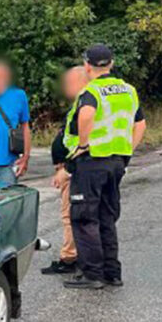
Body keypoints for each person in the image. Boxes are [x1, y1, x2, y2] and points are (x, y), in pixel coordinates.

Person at [62, 44, 146, 290]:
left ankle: (93, 274)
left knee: (85, 217)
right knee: (107, 216)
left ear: (87, 65)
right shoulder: (128, 90)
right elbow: (140, 124)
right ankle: (112, 272)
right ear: (111, 63)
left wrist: (82, 145)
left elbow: (86, 115)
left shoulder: (93, 91)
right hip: (117, 161)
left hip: (92, 161)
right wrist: (127, 149)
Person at [41, 66, 88, 275]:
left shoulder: (87, 104)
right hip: (69, 166)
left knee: (70, 215)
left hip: (74, 167)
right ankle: (75, 255)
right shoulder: (80, 103)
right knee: (69, 213)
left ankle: (70, 258)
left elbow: (82, 142)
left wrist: (66, 169)